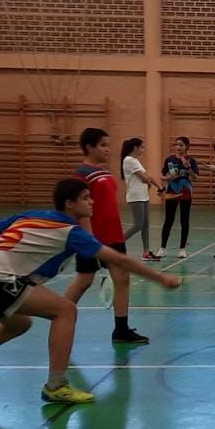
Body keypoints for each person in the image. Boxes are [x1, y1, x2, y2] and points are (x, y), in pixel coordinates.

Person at [0, 179, 182, 404]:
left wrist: (7, 262)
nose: (92, 201)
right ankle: (56, 385)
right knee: (65, 310)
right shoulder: (70, 231)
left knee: (19, 324)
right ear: (70, 204)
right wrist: (160, 278)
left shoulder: (33, 215)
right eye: (86, 197)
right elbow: (120, 260)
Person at [63, 127, 149, 345]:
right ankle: (59, 315)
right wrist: (88, 240)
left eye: (108, 145)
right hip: (93, 238)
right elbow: (81, 210)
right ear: (89, 147)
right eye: (103, 145)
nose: (108, 149)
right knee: (84, 280)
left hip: (114, 236)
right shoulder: (82, 174)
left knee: (122, 279)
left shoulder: (104, 172)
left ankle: (121, 330)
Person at [120, 138, 164, 262]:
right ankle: (116, 245)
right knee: (138, 225)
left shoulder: (135, 161)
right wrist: (148, 182)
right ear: (135, 148)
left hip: (143, 196)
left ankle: (146, 252)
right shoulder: (129, 160)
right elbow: (144, 178)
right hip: (135, 197)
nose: (143, 150)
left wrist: (159, 186)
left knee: (145, 225)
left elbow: (147, 176)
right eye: (142, 147)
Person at [159, 136, 198, 259]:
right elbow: (163, 177)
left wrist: (188, 167)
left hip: (186, 192)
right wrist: (170, 178)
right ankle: (162, 248)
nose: (178, 147)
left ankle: (182, 249)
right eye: (176, 145)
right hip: (172, 192)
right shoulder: (169, 160)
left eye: (181, 145)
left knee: (184, 220)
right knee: (168, 220)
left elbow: (194, 178)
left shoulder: (191, 160)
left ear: (186, 146)